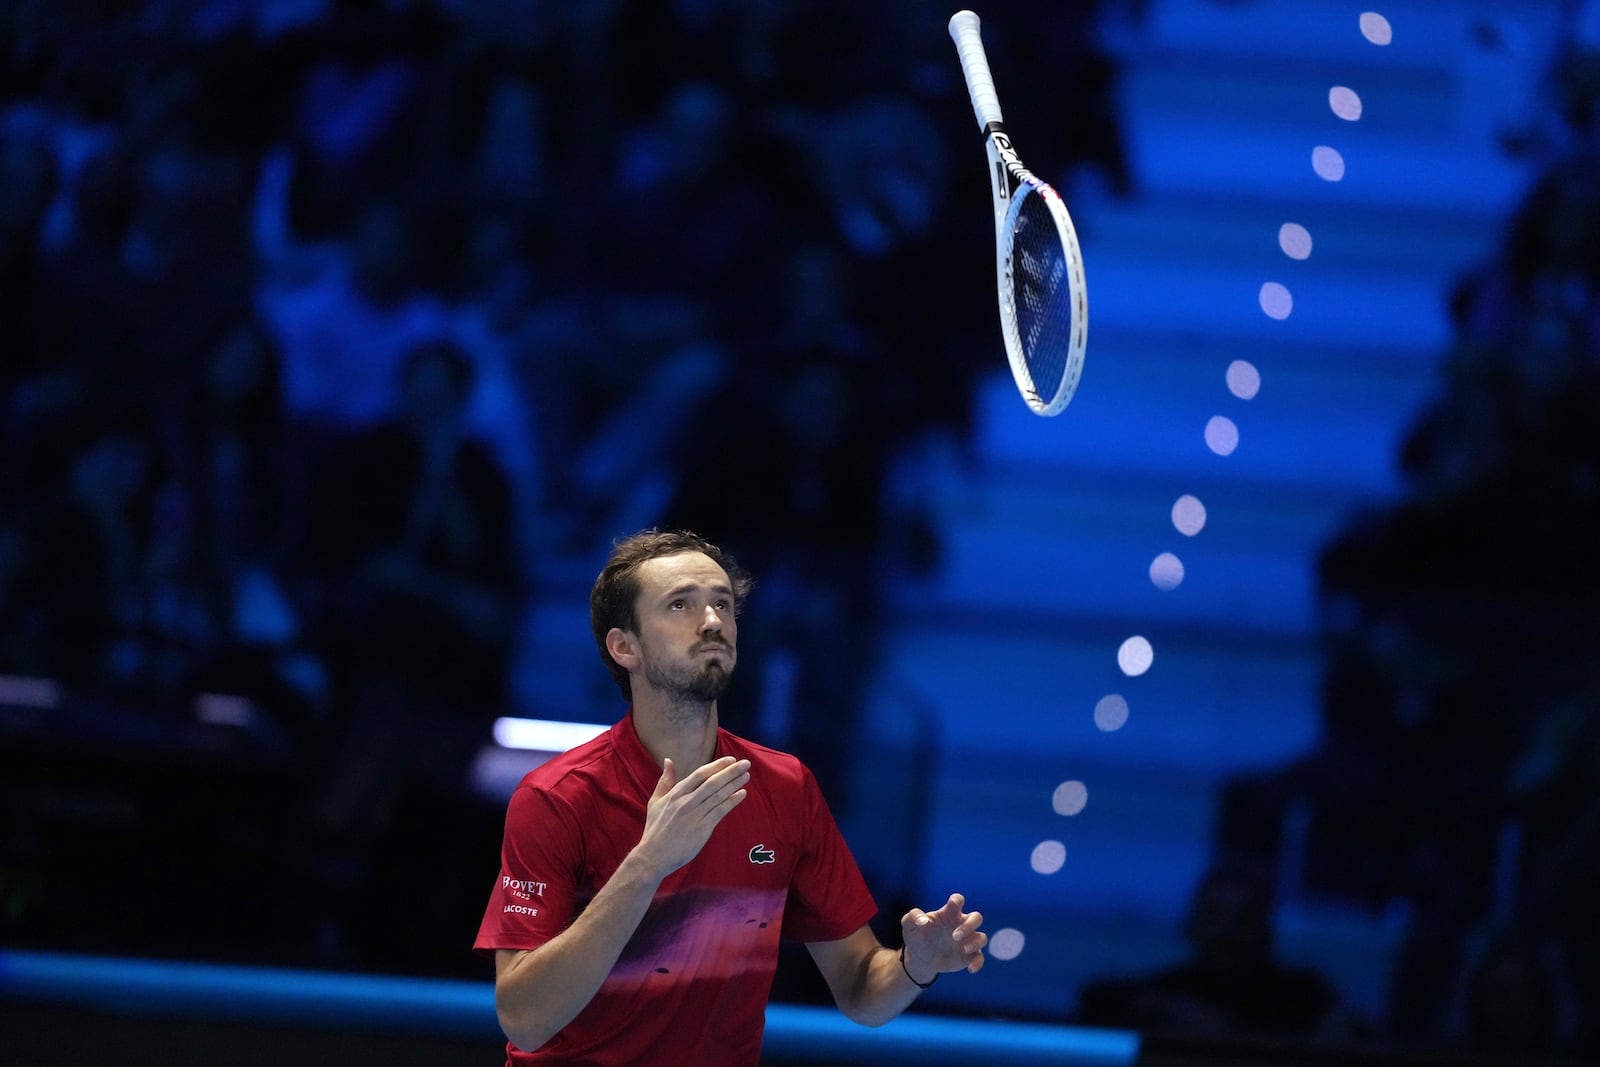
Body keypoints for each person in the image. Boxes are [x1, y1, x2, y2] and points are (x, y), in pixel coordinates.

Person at [474, 529, 987, 1064]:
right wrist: (647, 866)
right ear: (624, 646)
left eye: (722, 602)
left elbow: (860, 990)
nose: (713, 620)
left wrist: (914, 966)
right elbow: (525, 1020)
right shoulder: (556, 797)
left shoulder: (786, 788)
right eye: (681, 604)